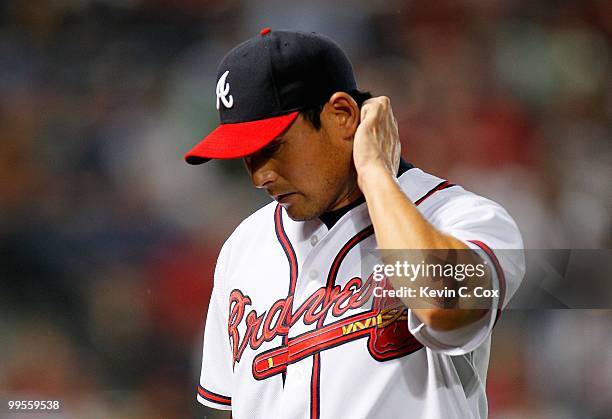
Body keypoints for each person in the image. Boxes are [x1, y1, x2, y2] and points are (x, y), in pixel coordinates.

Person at [185, 28, 525, 419]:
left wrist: (375, 172)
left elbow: (442, 308)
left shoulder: (462, 216)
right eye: (246, 156)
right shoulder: (243, 247)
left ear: (343, 115)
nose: (259, 176)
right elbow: (226, 408)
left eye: (273, 148)